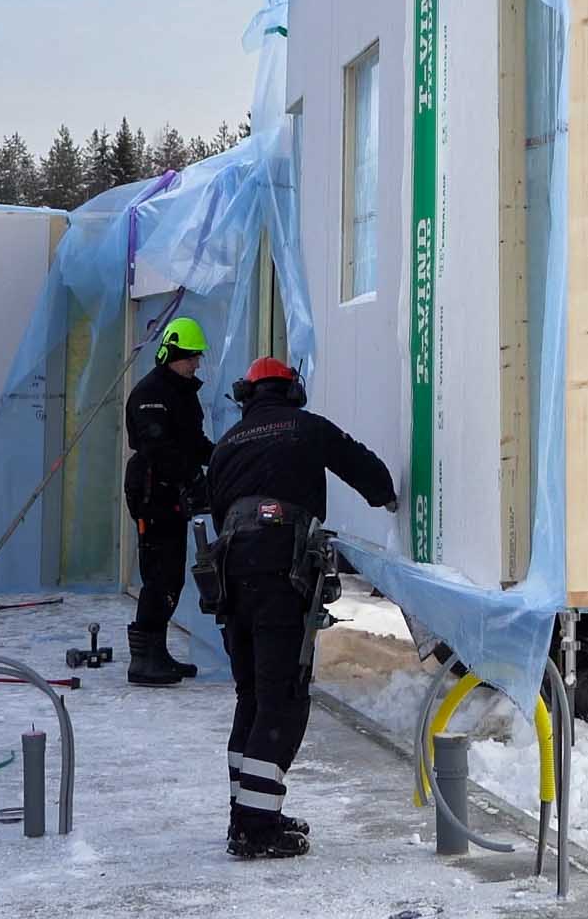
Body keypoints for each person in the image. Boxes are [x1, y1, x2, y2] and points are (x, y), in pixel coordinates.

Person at [197, 356, 396, 860]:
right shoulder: (305, 428)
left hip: (230, 576)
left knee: (251, 697)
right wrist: (389, 499)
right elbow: (365, 469)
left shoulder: (226, 445)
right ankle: (257, 827)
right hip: (278, 576)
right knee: (283, 697)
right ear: (292, 392)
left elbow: (215, 510)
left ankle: (246, 813)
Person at [122, 316, 213, 687]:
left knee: (171, 575)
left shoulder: (180, 393)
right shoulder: (151, 395)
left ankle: (156, 652)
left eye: (197, 357)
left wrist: (223, 457)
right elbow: (157, 448)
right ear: (170, 354)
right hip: (152, 495)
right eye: (189, 357)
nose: (195, 364)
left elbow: (193, 443)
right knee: (159, 576)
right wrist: (191, 475)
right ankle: (143, 661)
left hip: (171, 495)